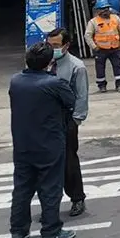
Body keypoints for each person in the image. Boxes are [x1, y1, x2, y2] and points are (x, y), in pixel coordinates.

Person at [8, 42, 78, 238]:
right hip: (48, 143)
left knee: (22, 188)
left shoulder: (16, 81)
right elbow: (70, 101)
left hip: (22, 143)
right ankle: (51, 231)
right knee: (50, 188)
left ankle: (18, 232)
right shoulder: (53, 84)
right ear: (49, 63)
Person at [46, 28, 89, 217]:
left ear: (66, 46)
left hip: (66, 118)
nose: (51, 49)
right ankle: (50, 204)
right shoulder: (44, 62)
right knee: (46, 163)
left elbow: (82, 96)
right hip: (45, 118)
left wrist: (75, 121)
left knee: (69, 162)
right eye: (49, 45)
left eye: (55, 46)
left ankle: (77, 198)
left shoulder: (76, 66)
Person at [85, 0, 120, 93]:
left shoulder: (115, 18)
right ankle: (101, 85)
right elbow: (88, 35)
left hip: (115, 48)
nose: (105, 10)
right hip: (100, 50)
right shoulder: (93, 22)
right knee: (100, 68)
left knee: (118, 66)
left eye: (107, 8)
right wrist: (94, 46)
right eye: (103, 9)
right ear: (98, 10)